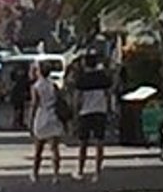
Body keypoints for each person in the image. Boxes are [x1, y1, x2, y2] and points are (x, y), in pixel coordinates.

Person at [70, 47, 115, 180]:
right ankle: (97, 172)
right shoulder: (102, 77)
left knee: (83, 143)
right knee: (99, 142)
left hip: (85, 112)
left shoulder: (82, 79)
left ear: (85, 63)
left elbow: (77, 98)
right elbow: (108, 94)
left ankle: (80, 170)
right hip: (100, 111)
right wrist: (109, 109)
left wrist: (75, 113)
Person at [28, 67, 66, 180]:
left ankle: (35, 173)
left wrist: (30, 119)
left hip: (41, 115)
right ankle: (56, 174)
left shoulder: (36, 86)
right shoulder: (53, 85)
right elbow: (59, 98)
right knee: (54, 148)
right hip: (53, 115)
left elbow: (34, 104)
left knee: (38, 148)